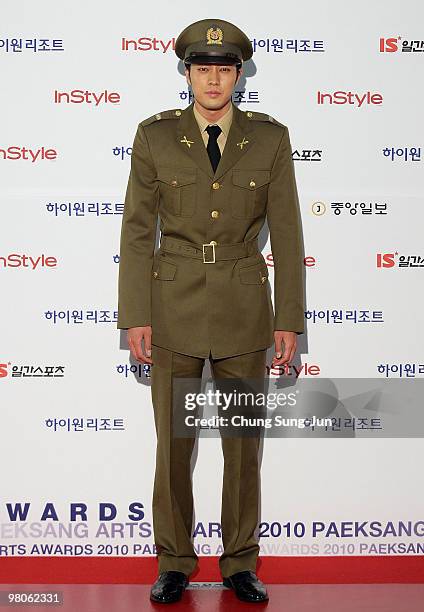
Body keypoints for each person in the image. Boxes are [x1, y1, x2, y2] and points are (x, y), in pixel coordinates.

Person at [117, 17, 305, 604]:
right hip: (171, 306)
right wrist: (135, 315)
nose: (214, 80)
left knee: (243, 447)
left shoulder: (271, 140)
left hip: (247, 308)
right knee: (173, 447)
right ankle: (173, 560)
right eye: (203, 69)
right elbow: (137, 231)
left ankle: (239, 562)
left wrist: (289, 319)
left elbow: (290, 234)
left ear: (239, 73)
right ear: (188, 73)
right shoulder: (155, 136)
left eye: (225, 69)